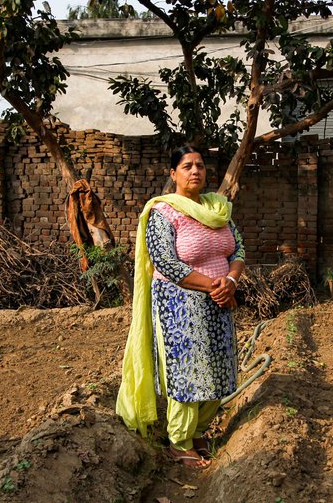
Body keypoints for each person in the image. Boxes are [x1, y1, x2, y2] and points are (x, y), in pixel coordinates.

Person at [116, 145, 245, 468]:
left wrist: (229, 282)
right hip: (180, 305)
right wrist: (215, 286)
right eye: (187, 166)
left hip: (220, 301)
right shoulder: (163, 213)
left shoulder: (218, 208)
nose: (195, 171)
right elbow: (166, 263)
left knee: (219, 366)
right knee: (188, 372)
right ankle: (179, 441)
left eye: (200, 165)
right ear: (173, 174)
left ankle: (200, 432)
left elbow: (238, 250)